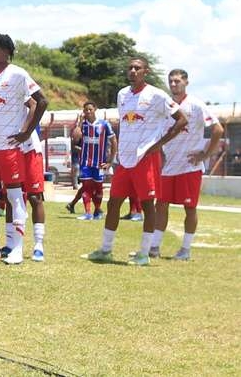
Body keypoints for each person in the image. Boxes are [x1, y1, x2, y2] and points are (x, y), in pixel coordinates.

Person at [83, 57, 187, 266]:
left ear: (145, 71)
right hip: (125, 160)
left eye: (137, 68)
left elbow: (182, 120)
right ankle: (105, 250)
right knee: (113, 203)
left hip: (145, 159)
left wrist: (158, 145)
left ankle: (143, 253)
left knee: (148, 206)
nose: (133, 71)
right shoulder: (122, 94)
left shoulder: (156, 95)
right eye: (130, 67)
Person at [0, 33, 47, 265]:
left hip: (10, 145)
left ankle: (17, 247)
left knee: (16, 196)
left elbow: (41, 101)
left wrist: (26, 131)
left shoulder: (18, 74)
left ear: (7, 52)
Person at [151, 69, 223, 260]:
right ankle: (155, 247)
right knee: (161, 205)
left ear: (186, 82)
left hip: (190, 166)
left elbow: (218, 129)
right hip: (168, 166)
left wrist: (206, 154)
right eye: (171, 82)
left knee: (189, 208)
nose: (173, 85)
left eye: (177, 81)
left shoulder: (197, 105)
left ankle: (185, 250)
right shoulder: (168, 105)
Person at [1, 99, 47, 262]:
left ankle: (38, 245)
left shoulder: (20, 84)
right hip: (10, 148)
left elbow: (36, 104)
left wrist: (25, 130)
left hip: (29, 147)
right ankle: (10, 243)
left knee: (35, 197)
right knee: (10, 197)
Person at [68, 101, 117, 221]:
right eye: (86, 110)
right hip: (85, 162)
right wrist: (79, 122)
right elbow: (75, 138)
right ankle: (88, 213)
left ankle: (97, 210)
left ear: (95, 109)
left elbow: (114, 142)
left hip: (100, 163)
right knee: (86, 187)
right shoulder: (83, 125)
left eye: (90, 109)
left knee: (99, 189)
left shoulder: (104, 124)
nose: (88, 112)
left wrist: (110, 161)